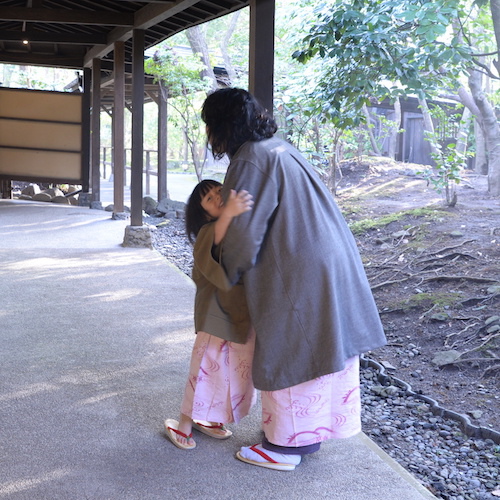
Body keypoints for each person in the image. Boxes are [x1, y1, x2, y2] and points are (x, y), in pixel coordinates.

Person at [201, 88, 388, 471]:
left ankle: (286, 448)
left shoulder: (250, 160)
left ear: (220, 126)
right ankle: (306, 437)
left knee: (291, 346)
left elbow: (242, 233)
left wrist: (218, 270)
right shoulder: (278, 147)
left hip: (298, 266)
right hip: (325, 255)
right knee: (318, 343)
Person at [164, 179, 257, 450]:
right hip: (216, 314)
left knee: (233, 371)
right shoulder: (209, 230)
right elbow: (216, 240)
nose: (217, 197)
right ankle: (184, 423)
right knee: (204, 369)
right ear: (203, 213)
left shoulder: (235, 227)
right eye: (209, 199)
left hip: (239, 313)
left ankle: (210, 417)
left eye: (219, 191)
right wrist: (228, 213)